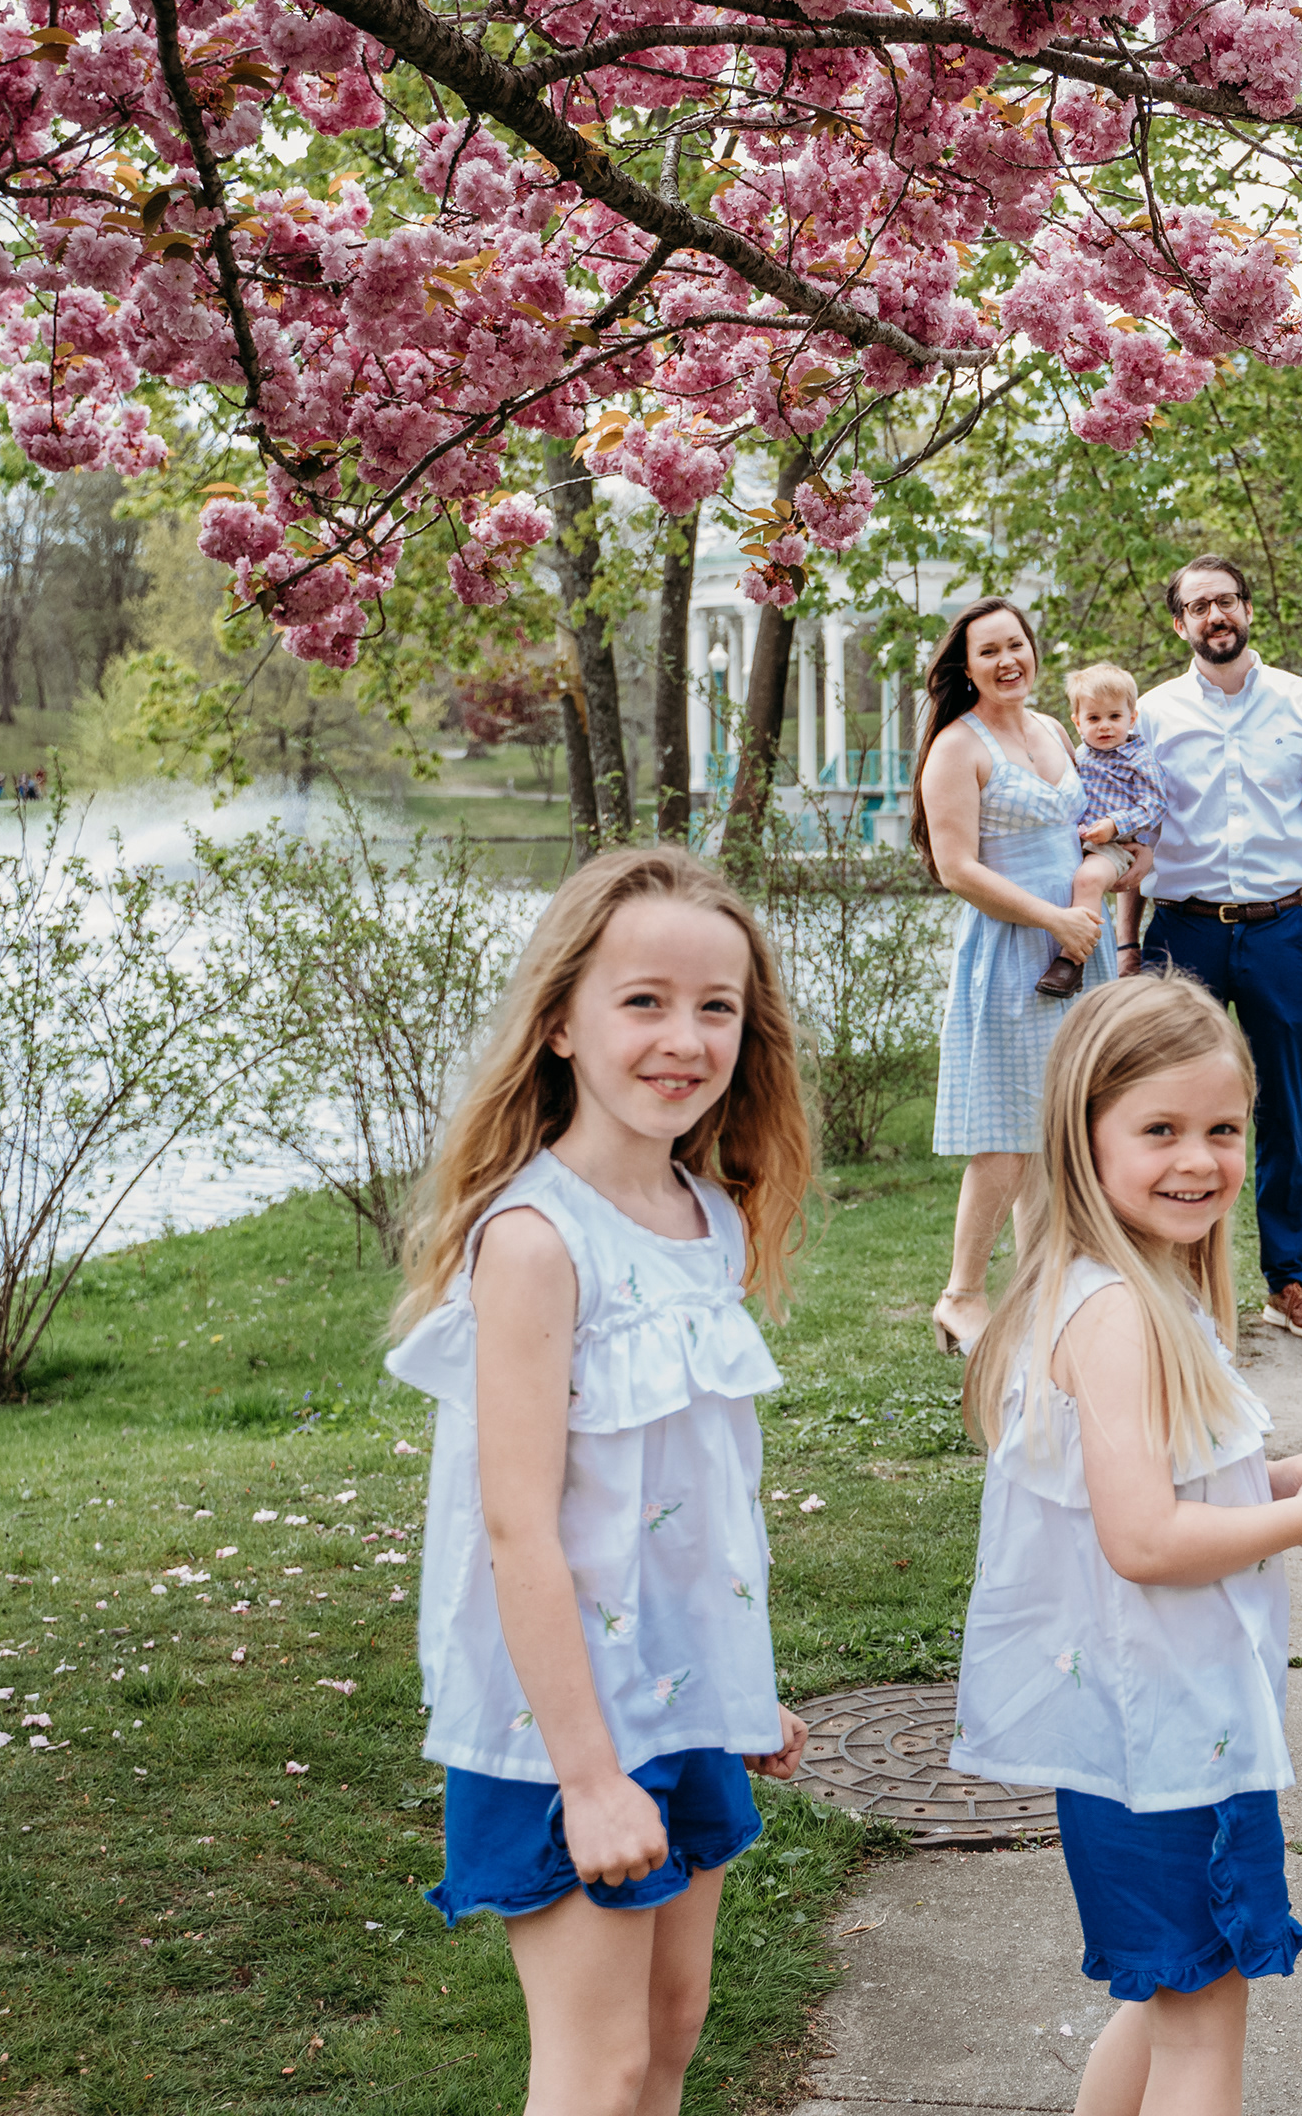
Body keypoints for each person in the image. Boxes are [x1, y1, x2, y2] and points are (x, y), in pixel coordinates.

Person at [381, 845, 820, 2116]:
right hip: (561, 1724)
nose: (683, 1036)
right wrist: (585, 1772)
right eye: (644, 1001)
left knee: (671, 2039)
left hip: (685, 1699)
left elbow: (699, 1503)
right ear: (562, 1020)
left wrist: (746, 1689)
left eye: (716, 1007)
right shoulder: (532, 1241)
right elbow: (520, 1528)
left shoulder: (709, 1217)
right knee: (597, 2067)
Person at [949, 977, 1302, 2116]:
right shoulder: (1118, 1315)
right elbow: (1143, 1537)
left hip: (1155, 1735)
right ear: (1083, 1132)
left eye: (1223, 1129)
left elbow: (1172, 1480)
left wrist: (1292, 1477)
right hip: (1168, 1746)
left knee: (1164, 2005)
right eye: (1160, 1129)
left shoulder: (1139, 1291)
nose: (1199, 1159)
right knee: (1202, 2031)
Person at [1133, 556, 1302, 1341]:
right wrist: (1127, 944)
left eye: (1225, 600)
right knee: (1167, 1111)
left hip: (1277, 931)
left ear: (1248, 609)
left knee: (1282, 1109)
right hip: (1182, 930)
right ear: (1179, 624)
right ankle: (1174, 1283)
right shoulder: (1151, 713)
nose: (1214, 615)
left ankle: (1289, 1283)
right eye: (1198, 606)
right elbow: (1136, 831)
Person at [917, 596, 1099, 1355]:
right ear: (965, 667)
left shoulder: (1056, 730)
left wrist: (1103, 875)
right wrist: (1052, 918)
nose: (1006, 660)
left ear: (1034, 650)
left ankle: (1037, 1295)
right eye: (988, 650)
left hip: (1081, 952)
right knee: (1007, 1135)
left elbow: (1080, 828)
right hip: (1012, 954)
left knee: (1059, 1134)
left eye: (1015, 644)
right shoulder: (958, 748)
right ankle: (960, 1294)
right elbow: (957, 869)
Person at [1038, 661, 1162, 999]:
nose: (1104, 726)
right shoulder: (1078, 755)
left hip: (1116, 846)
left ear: (1132, 718)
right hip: (1077, 841)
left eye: (1114, 717)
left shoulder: (1138, 758)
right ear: (1077, 722)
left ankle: (1072, 960)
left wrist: (1114, 825)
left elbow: (1155, 805)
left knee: (1088, 880)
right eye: (1094, 718)